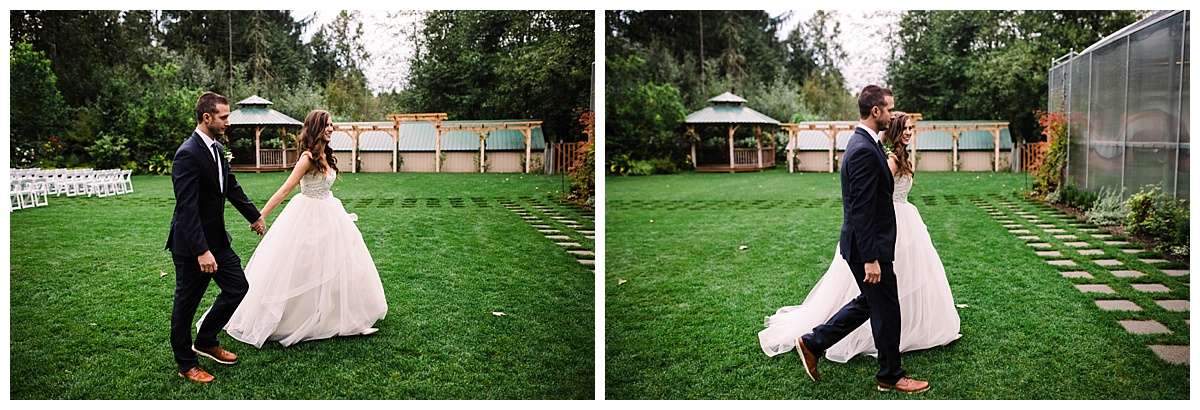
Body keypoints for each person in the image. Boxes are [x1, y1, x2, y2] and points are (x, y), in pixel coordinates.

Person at [759, 85, 931, 393]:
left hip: (869, 243)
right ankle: (890, 376)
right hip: (869, 247)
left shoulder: (866, 142)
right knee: (886, 308)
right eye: (889, 109)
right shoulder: (864, 149)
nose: (892, 114)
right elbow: (862, 210)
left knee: (871, 303)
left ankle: (813, 342)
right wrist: (871, 258)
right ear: (875, 111)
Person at [205, 109, 388, 348]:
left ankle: (337, 315)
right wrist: (259, 216)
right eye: (326, 125)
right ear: (315, 128)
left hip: (330, 212)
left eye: (332, 124)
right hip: (308, 214)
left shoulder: (326, 154)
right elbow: (285, 189)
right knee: (306, 264)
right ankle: (297, 319)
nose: (331, 129)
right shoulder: (307, 158)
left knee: (339, 263)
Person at [166, 91, 266, 384]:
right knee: (186, 305)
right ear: (206, 117)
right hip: (192, 247)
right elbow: (186, 208)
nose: (228, 122)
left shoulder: (217, 149)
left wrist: (254, 216)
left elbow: (230, 186)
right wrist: (201, 250)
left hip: (219, 241)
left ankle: (207, 339)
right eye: (224, 117)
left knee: (238, 287)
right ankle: (186, 363)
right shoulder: (187, 153)